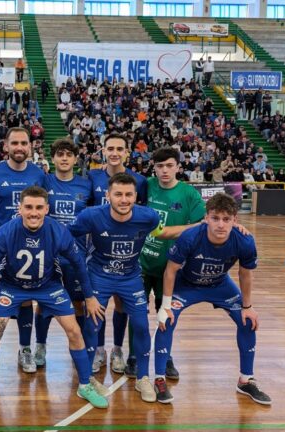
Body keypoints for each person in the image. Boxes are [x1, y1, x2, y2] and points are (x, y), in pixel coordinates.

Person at [0, 186, 108, 410]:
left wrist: (89, 297)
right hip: (12, 286)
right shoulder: (7, 231)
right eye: (28, 207)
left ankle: (84, 384)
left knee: (74, 331)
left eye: (39, 208)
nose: (34, 212)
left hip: (47, 286)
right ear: (20, 208)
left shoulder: (58, 231)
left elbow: (79, 264)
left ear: (47, 209)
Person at [69, 173, 197, 402]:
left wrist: (200, 225)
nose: (124, 199)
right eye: (118, 194)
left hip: (130, 277)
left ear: (136, 196)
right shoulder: (91, 216)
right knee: (92, 325)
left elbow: (162, 233)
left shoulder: (148, 216)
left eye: (129, 194)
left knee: (140, 325)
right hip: (99, 276)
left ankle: (142, 378)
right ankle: (87, 379)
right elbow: (67, 236)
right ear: (108, 196)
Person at [153, 192, 271, 406]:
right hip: (187, 285)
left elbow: (245, 274)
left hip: (220, 285)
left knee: (248, 321)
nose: (220, 225)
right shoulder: (190, 237)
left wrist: (248, 306)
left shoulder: (244, 241)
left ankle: (245, 380)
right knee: (166, 321)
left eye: (226, 219)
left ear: (235, 220)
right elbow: (170, 271)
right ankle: (159, 379)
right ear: (206, 217)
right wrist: (166, 305)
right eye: (215, 218)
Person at [126, 148, 205, 378]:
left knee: (167, 313)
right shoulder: (147, 185)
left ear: (178, 167)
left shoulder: (189, 194)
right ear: (154, 167)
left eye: (169, 165)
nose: (164, 170)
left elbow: (203, 224)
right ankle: (133, 355)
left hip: (170, 267)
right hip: (141, 262)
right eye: (160, 166)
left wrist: (171, 232)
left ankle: (165, 355)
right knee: (137, 312)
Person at [0, 127, 47, 374]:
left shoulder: (38, 174)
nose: (19, 147)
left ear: (30, 146)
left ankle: (25, 349)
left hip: (29, 250)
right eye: (14, 143)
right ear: (5, 145)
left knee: (25, 301)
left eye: (23, 143)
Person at [86, 133, 147, 374]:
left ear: (127, 152)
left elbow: (144, 214)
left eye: (119, 149)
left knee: (121, 303)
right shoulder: (93, 176)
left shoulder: (139, 181)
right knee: (98, 305)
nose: (114, 153)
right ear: (102, 150)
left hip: (126, 250)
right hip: (99, 249)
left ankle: (118, 349)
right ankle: (99, 349)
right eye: (109, 148)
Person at [33, 138, 94, 368]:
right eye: (60, 154)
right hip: (47, 254)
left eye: (69, 154)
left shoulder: (85, 185)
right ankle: (40, 346)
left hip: (75, 254)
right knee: (44, 303)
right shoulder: (44, 180)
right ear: (53, 158)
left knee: (78, 303)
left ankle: (78, 345)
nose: (65, 158)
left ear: (75, 159)